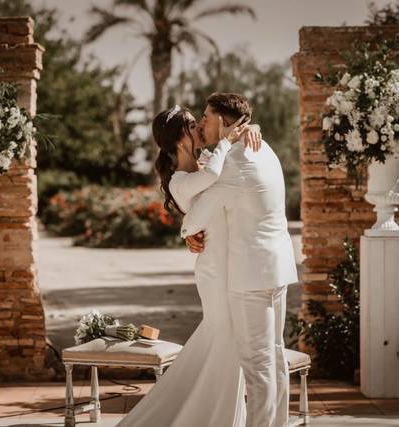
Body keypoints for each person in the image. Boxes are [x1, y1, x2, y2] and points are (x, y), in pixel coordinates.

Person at [116, 104, 259, 427]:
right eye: (193, 124)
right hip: (213, 269)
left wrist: (251, 129)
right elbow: (211, 179)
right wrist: (225, 141)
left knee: (222, 342)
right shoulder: (181, 181)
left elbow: (235, 156)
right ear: (181, 139)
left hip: (232, 262)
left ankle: (213, 416)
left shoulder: (210, 160)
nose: (201, 127)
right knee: (225, 338)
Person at [182, 93, 298, 427]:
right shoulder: (264, 148)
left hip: (251, 278)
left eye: (206, 117)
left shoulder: (234, 162)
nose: (202, 123)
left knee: (257, 366)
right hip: (276, 268)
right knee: (274, 358)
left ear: (223, 121)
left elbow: (195, 219)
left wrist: (188, 229)